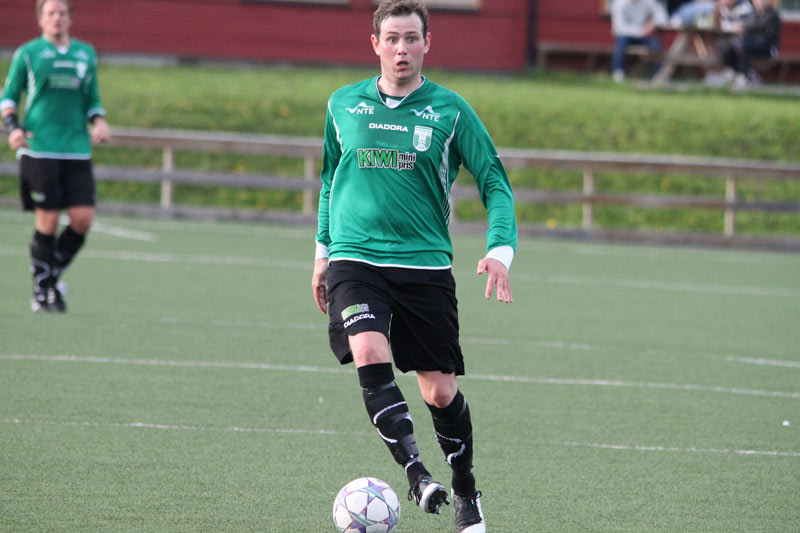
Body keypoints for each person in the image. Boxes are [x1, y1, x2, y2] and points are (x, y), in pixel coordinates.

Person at [310, 1, 517, 531]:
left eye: (411, 39)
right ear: (375, 44)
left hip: (424, 266)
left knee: (439, 391)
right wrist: (322, 251)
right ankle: (417, 474)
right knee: (367, 351)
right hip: (355, 259)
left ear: (427, 43)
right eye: (392, 39)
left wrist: (500, 249)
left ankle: (465, 487)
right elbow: (331, 180)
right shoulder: (342, 104)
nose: (401, 49)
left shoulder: (450, 110)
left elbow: (494, 181)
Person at [1, 0, 110, 312]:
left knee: (82, 219)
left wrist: (99, 121)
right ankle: (43, 292)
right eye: (51, 13)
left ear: (70, 18)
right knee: (47, 221)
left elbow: (92, 98)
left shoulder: (85, 53)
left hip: (76, 149)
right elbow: (8, 97)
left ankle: (48, 278)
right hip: (40, 147)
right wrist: (13, 127)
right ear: (40, 19)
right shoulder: (28, 53)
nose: (57, 18)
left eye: (62, 13)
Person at [721, 0, 781, 88]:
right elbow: (746, 28)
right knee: (730, 48)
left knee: (744, 47)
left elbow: (768, 36)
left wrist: (748, 37)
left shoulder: (772, 15)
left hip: (768, 48)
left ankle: (743, 77)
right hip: (751, 45)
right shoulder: (754, 14)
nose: (758, 3)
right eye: (756, 1)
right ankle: (735, 72)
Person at [610, 0, 668, 82]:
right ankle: (618, 71)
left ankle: (658, 74)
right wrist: (642, 31)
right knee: (621, 41)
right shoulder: (619, 4)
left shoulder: (648, 2)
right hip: (626, 35)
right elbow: (619, 28)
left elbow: (662, 17)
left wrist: (653, 23)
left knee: (655, 44)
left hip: (644, 35)